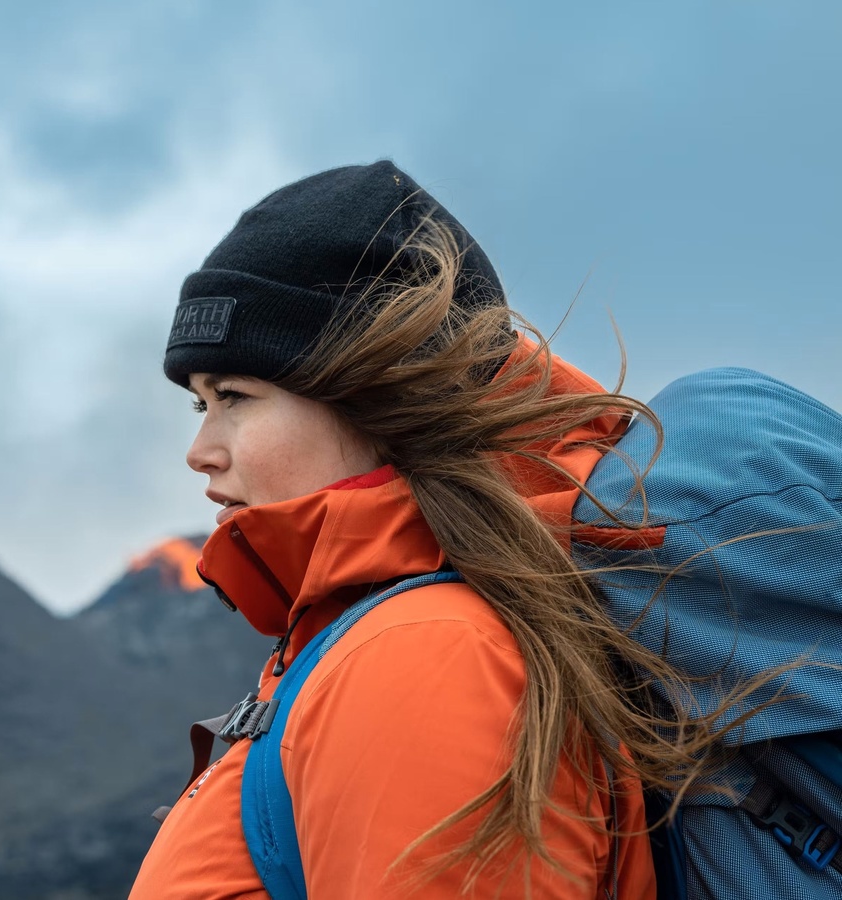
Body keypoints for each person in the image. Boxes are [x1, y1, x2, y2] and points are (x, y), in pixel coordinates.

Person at [128, 161, 717, 898]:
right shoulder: (369, 639)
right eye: (199, 404)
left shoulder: (425, 656)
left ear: (376, 399)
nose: (200, 450)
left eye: (236, 397)